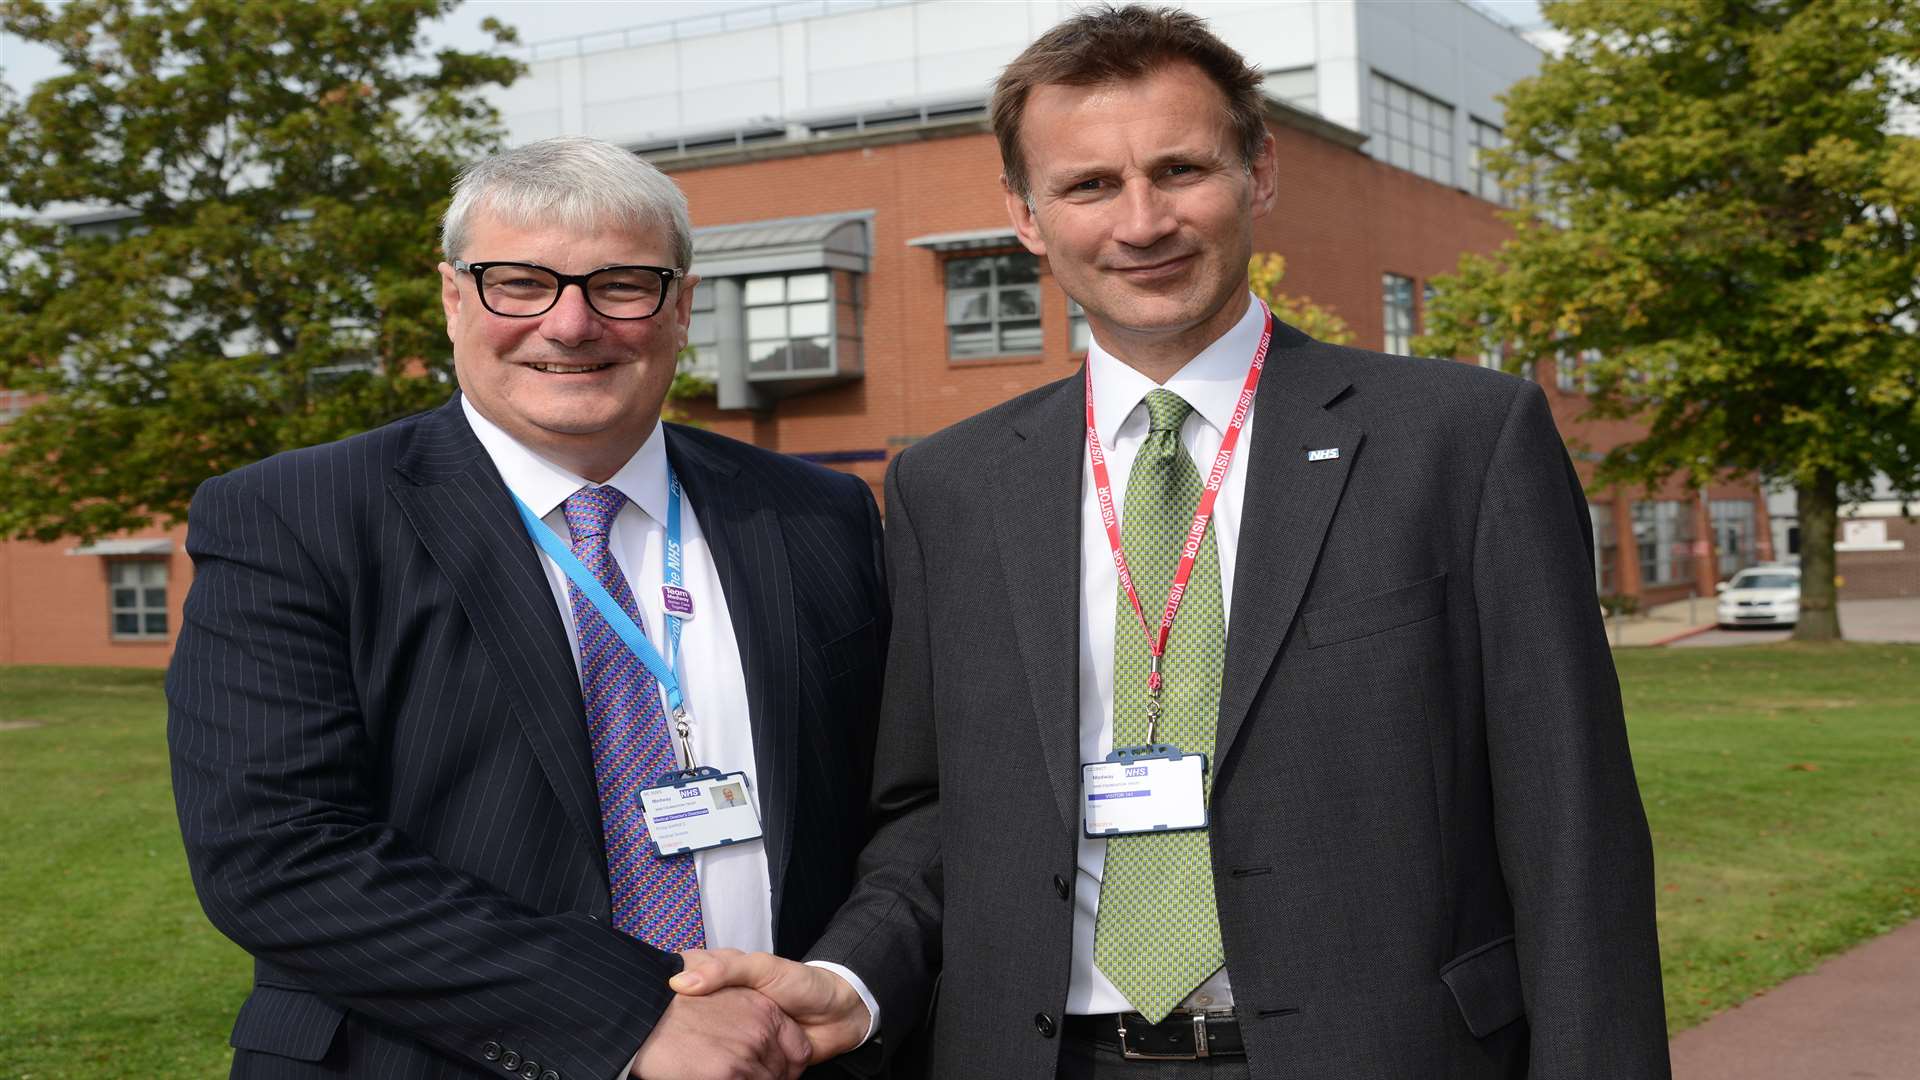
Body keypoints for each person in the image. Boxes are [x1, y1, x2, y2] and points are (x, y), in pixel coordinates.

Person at [672, 6, 1670, 1078]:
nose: (1141, 223)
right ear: (1024, 213)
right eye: (1090, 185)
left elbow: (1574, 826)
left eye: (1181, 169)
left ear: (1260, 170)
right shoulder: (947, 487)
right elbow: (932, 812)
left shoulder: (1462, 441)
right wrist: (855, 977)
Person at [168, 136, 887, 1080]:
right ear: (454, 298)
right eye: (519, 283)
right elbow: (276, 852)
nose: (571, 324)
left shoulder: (817, 513)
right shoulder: (292, 517)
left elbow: (900, 798)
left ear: (682, 306)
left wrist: (854, 977)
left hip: (784, 1058)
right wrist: (632, 1020)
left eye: (622, 284)